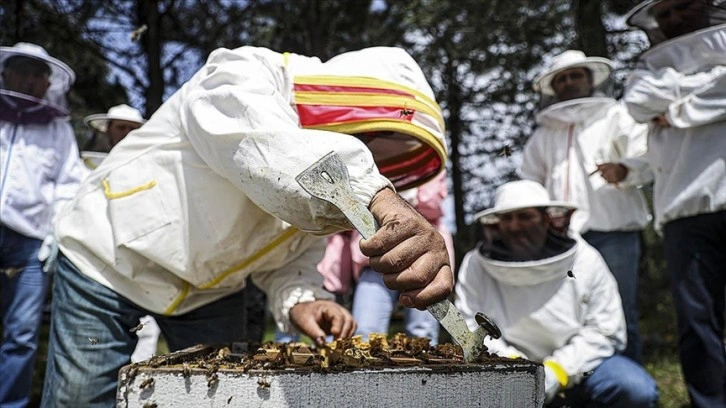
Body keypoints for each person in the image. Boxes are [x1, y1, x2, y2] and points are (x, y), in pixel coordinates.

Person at [41, 45, 453, 407]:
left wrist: (301, 299)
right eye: (367, 139)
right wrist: (378, 198)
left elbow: (291, 252)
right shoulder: (241, 73)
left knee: (223, 398)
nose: (368, 156)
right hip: (106, 260)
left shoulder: (322, 170)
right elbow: (267, 146)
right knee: (82, 398)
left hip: (211, 293)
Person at [455, 180, 659, 407]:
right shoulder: (475, 264)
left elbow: (606, 329)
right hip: (504, 372)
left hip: (580, 369)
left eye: (525, 216)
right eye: (507, 218)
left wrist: (557, 371)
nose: (514, 226)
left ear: (547, 219)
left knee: (633, 388)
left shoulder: (585, 259)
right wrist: (515, 367)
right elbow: (468, 327)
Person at [621, 1, 726, 406]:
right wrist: (707, 87)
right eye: (664, 15)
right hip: (685, 210)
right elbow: (639, 101)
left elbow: (662, 101)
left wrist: (677, 109)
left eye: (682, 7)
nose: (674, 19)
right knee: (699, 322)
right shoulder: (648, 69)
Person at [520, 50, 652, 362]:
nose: (568, 82)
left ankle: (628, 387)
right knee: (568, 314)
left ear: (590, 80)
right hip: (561, 240)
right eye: (562, 78)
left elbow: (648, 157)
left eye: (575, 75)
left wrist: (624, 169)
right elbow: (528, 183)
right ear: (553, 87)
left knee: (619, 310)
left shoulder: (616, 116)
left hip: (613, 232)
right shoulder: (545, 133)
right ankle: (578, 386)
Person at [0, 42, 83, 408]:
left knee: (21, 334)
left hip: (31, 242)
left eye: (38, 74)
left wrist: (56, 231)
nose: (31, 79)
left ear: (47, 82)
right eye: (23, 71)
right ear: (7, 73)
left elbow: (69, 184)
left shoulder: (58, 130)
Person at [351, 171, 454, 344]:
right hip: (375, 259)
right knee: (366, 332)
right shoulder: (361, 162)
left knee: (422, 333)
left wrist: (393, 200)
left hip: (421, 256)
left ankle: (427, 371)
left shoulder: (429, 165)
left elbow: (433, 202)